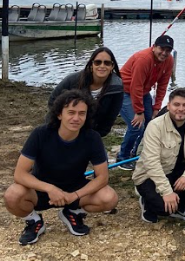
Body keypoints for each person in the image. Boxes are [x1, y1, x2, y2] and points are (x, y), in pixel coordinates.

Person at [4, 90, 118, 245]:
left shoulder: (92, 137)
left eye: (81, 114)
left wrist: (75, 195)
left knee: (109, 198)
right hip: (41, 190)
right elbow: (20, 174)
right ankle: (34, 221)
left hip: (74, 189)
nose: (76, 118)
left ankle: (73, 212)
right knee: (12, 195)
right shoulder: (40, 134)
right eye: (71, 112)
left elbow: (103, 177)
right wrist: (50, 189)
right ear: (59, 114)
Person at [132, 88, 185, 223]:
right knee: (163, 210)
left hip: (176, 171)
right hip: (150, 176)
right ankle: (147, 200)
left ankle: (180, 205)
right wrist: (166, 192)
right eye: (176, 105)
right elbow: (151, 162)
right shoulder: (155, 126)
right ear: (168, 106)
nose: (181, 109)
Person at [117, 35, 175, 170]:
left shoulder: (169, 60)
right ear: (154, 47)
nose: (164, 53)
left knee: (152, 124)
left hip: (143, 92)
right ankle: (122, 157)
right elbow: (135, 86)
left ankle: (136, 153)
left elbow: (163, 84)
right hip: (124, 91)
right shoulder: (143, 59)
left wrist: (156, 107)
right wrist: (138, 111)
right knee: (136, 125)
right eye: (161, 49)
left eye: (168, 50)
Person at [49, 47, 123, 137]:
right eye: (97, 62)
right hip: (63, 128)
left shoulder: (117, 88)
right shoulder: (73, 80)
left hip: (91, 133)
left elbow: (110, 118)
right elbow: (53, 101)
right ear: (91, 65)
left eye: (107, 63)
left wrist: (94, 136)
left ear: (112, 66)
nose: (102, 66)